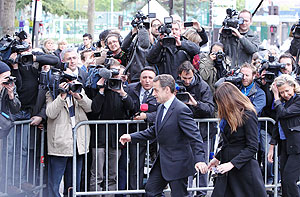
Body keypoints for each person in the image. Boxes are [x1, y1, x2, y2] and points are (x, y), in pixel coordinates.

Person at [120, 74, 208, 196]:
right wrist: (132, 137)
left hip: (178, 163)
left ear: (167, 89)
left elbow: (195, 136)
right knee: (151, 191)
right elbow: (154, 131)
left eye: (156, 90)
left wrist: (199, 160)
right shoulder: (161, 107)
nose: (153, 94)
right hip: (163, 161)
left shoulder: (181, 109)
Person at [208, 82, 267, 197]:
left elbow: (252, 146)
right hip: (228, 168)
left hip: (243, 170)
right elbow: (228, 143)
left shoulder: (248, 115)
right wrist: (217, 158)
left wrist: (232, 164)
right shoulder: (228, 116)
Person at [46, 69, 92, 197]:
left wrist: (78, 96)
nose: (69, 84)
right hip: (60, 144)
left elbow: (90, 107)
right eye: (66, 82)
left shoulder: (79, 90)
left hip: (78, 144)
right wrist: (62, 96)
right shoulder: (52, 93)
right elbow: (50, 113)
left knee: (73, 183)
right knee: (55, 183)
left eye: (71, 81)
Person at [89, 62, 133, 195]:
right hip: (99, 137)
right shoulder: (101, 88)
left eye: (119, 74)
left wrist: (122, 92)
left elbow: (131, 108)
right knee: (96, 174)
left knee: (112, 174)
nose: (116, 77)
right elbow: (94, 109)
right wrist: (101, 88)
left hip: (116, 139)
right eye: (113, 74)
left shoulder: (125, 90)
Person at [177, 61, 215, 197]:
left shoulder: (203, 86)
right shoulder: (176, 86)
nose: (187, 81)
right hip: (182, 132)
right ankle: (186, 192)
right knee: (185, 164)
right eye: (184, 78)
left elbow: (210, 109)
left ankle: (201, 193)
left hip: (202, 132)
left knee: (202, 164)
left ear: (194, 74)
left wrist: (195, 103)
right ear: (179, 75)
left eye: (189, 78)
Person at [126, 67, 158, 196]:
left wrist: (147, 117)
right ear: (140, 78)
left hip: (155, 134)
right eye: (144, 77)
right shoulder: (130, 88)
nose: (147, 80)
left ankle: (155, 192)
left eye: (150, 78)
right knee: (135, 166)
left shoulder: (159, 90)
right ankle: (135, 193)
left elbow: (164, 112)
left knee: (157, 166)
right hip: (136, 134)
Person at [268, 74, 300, 197]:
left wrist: (276, 97)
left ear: (293, 87)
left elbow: (283, 114)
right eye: (281, 92)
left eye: (287, 91)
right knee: (285, 181)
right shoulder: (282, 103)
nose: (285, 94)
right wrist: (271, 146)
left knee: (289, 179)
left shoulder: (297, 100)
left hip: (297, 145)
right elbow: (278, 124)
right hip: (285, 145)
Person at [0, 61, 21, 194]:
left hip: (2, 132)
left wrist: (11, 95)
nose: (9, 80)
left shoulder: (10, 87)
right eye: (5, 77)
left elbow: (16, 109)